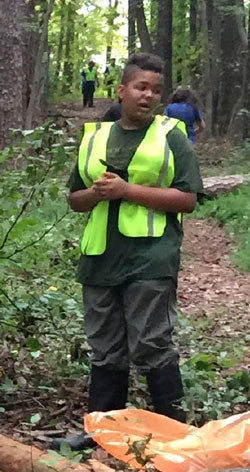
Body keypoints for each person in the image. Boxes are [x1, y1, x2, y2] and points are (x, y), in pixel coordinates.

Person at [55, 52, 204, 451]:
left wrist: (127, 191)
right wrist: (96, 193)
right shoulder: (96, 137)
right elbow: (75, 199)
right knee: (105, 348)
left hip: (151, 258)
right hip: (100, 258)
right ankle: (103, 433)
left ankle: (175, 436)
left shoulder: (171, 135)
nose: (149, 95)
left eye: (156, 90)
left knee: (152, 343)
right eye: (141, 87)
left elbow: (188, 199)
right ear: (122, 90)